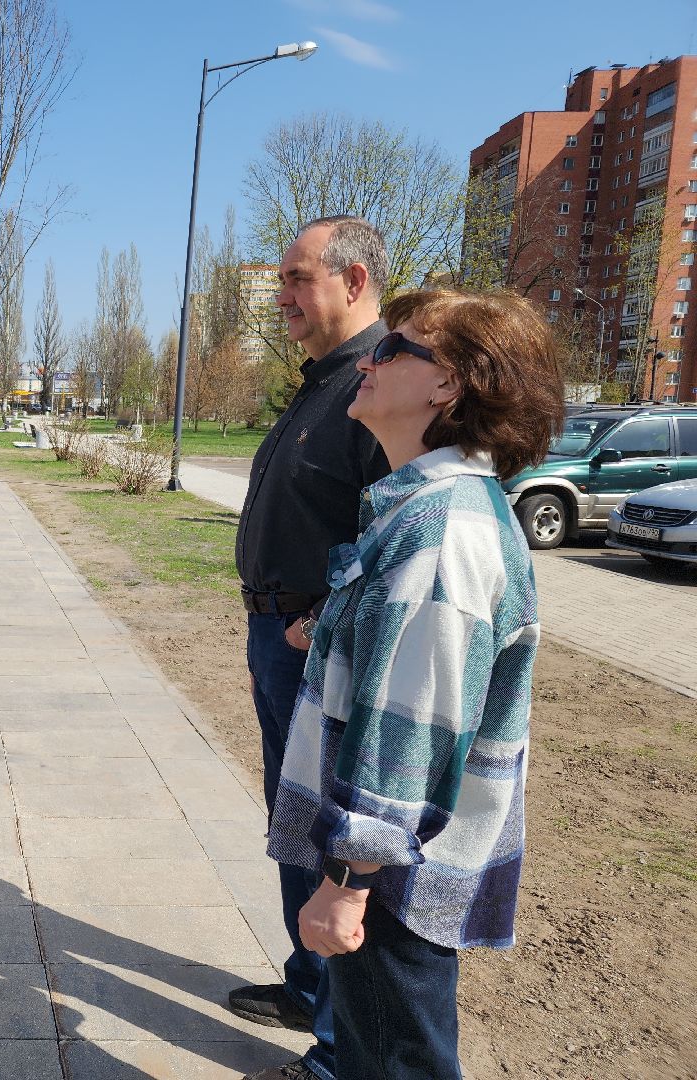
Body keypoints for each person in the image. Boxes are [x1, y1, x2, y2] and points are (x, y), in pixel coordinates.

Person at [267, 288, 564, 1079]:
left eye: (393, 349)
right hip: (398, 864)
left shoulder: (444, 531)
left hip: (397, 876)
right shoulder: (424, 509)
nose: (368, 359)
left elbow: (412, 727)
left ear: (450, 383)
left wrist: (346, 880)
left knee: (396, 1063)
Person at [231, 216, 390, 1080]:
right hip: (276, 638)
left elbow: (393, 524)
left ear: (353, 279)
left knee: (332, 835)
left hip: (316, 647)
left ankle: (335, 1046)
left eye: (296, 278)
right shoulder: (320, 382)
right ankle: (307, 983)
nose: (282, 295)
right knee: (293, 821)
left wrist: (326, 614)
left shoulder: (380, 382)